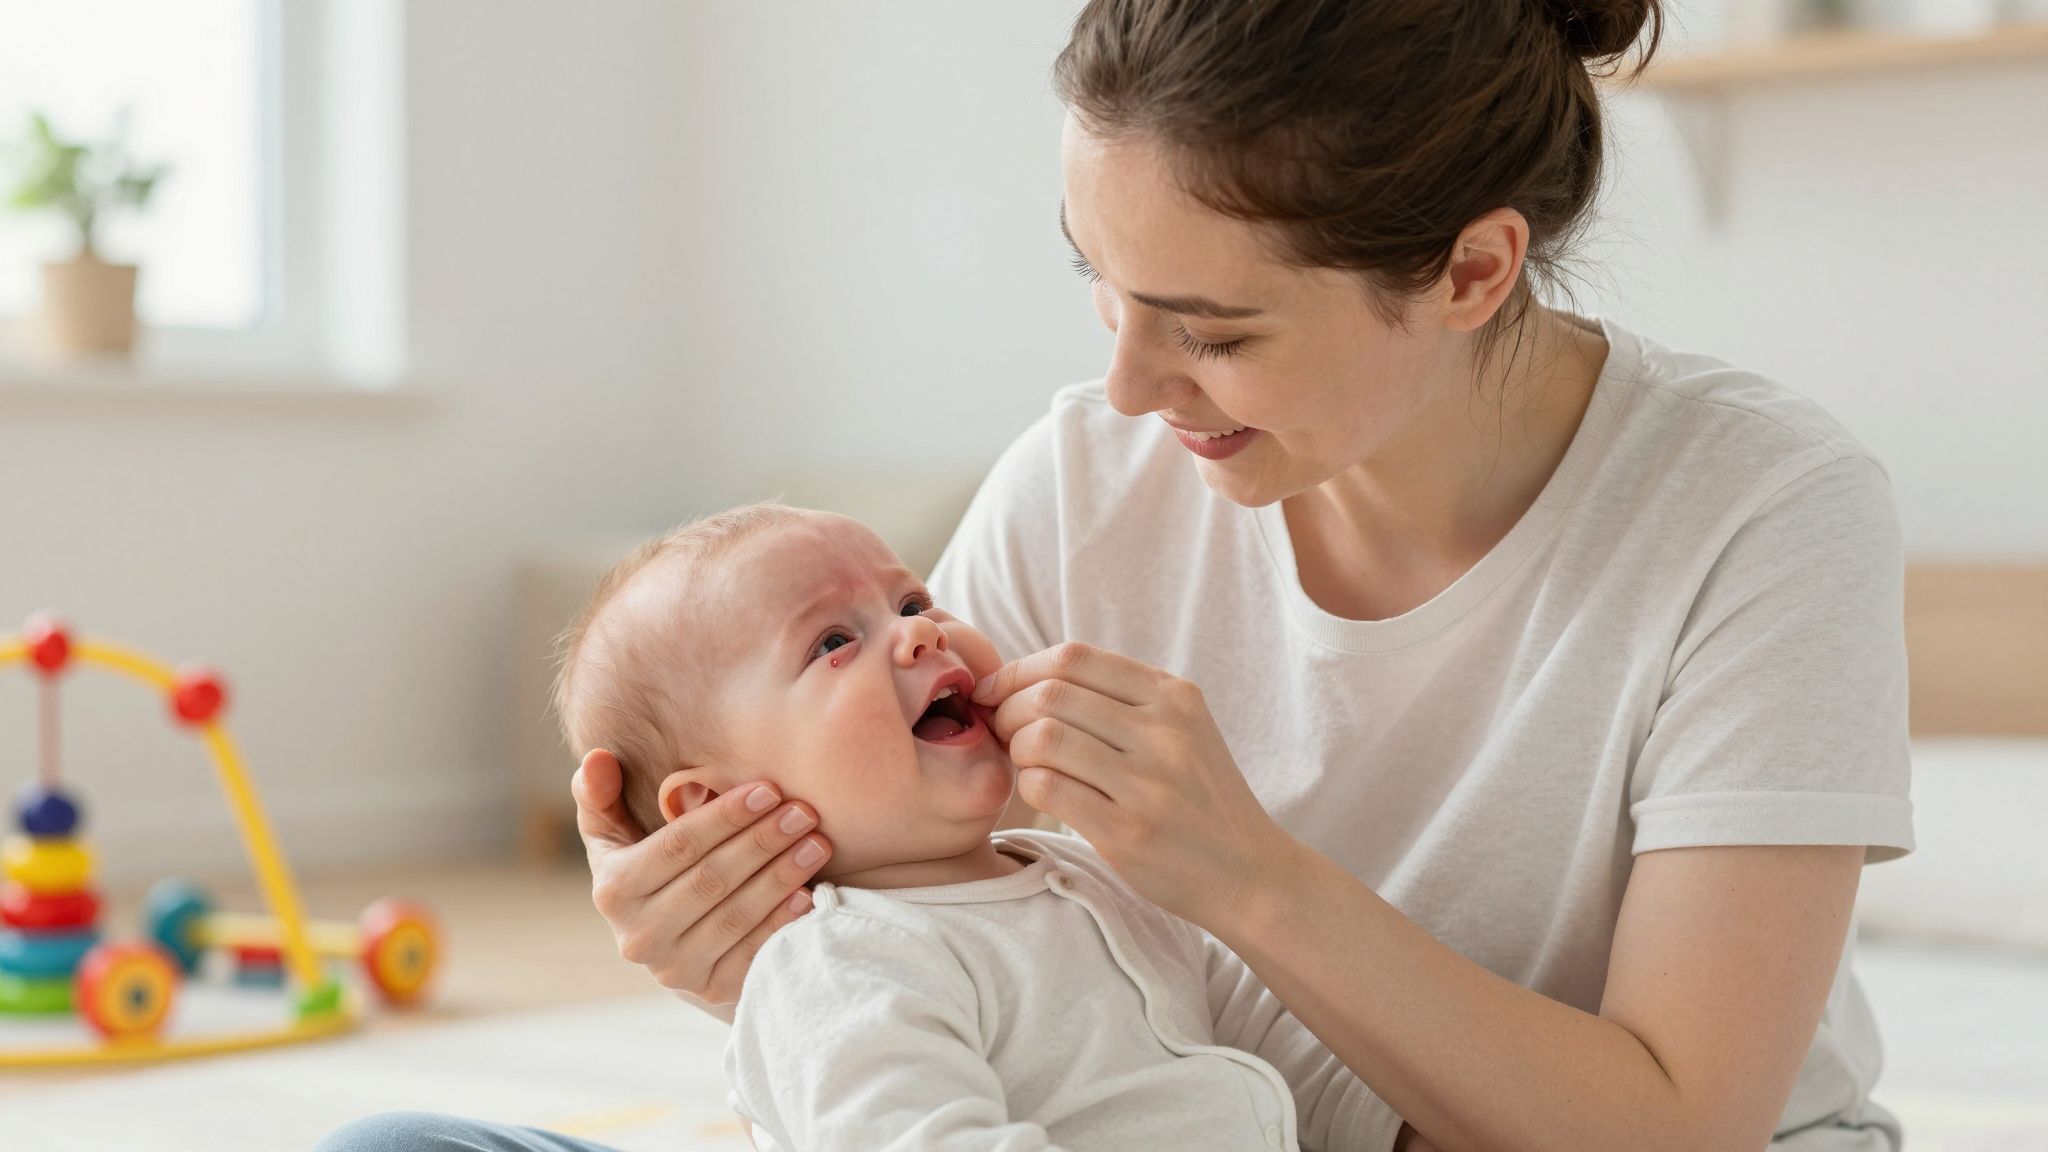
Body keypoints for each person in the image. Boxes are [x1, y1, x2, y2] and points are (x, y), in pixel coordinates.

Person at [326, 0, 1913, 1149]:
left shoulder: (1754, 511)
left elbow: (1681, 1124)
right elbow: (920, 932)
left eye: (1213, 332)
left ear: (1471, 272)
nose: (1135, 391)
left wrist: (1248, 876)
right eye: (1103, 287)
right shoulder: (1087, 480)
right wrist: (746, 940)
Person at [542, 503, 1401, 1151]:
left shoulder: (1089, 871)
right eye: (833, 642)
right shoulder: (836, 965)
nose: (919, 634)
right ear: (719, 808)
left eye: (913, 600)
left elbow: (1269, 1046)